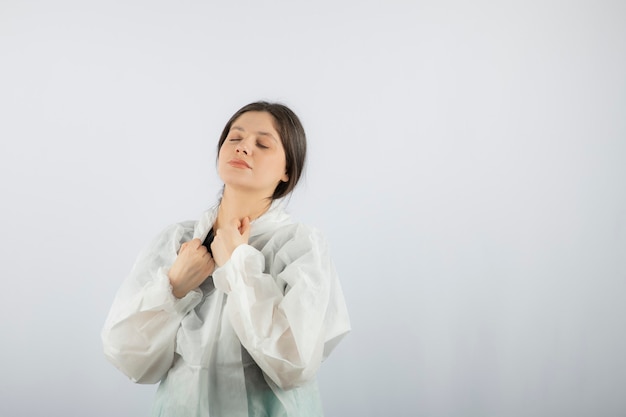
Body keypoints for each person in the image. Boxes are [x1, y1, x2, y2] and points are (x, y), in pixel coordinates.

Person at [101, 101, 351, 416]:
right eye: (235, 138)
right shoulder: (178, 242)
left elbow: (295, 364)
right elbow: (127, 356)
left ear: (288, 170)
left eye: (262, 143)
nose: (244, 148)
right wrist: (174, 287)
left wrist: (239, 265)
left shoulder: (300, 247)